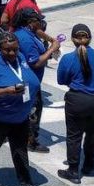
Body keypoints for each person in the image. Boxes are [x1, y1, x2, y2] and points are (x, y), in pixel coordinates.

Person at [0, 33, 46, 186]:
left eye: (15, 49)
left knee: (20, 148)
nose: (12, 53)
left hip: (20, 116)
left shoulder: (20, 57)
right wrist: (6, 91)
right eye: (8, 50)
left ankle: (26, 184)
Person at [57, 24, 94, 183]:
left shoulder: (68, 58)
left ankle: (73, 170)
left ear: (72, 39)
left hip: (76, 101)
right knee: (93, 133)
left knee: (74, 136)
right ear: (89, 38)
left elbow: (61, 80)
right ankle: (89, 163)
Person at [13, 8, 61, 153]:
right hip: (29, 83)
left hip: (27, 80)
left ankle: (15, 133)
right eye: (38, 20)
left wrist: (50, 39)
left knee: (22, 109)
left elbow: (38, 32)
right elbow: (36, 62)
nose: (41, 22)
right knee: (33, 110)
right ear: (30, 22)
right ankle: (30, 141)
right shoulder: (26, 39)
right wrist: (51, 49)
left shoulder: (26, 32)